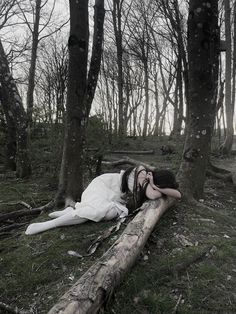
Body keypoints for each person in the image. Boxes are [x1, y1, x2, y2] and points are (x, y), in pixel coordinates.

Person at [25, 165, 181, 235]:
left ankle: (71, 211)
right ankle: (46, 225)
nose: (155, 189)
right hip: (102, 186)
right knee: (98, 212)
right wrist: (153, 185)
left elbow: (177, 194)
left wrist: (155, 185)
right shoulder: (141, 171)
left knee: (110, 213)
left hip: (111, 196)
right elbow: (155, 195)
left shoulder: (150, 183)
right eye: (157, 185)